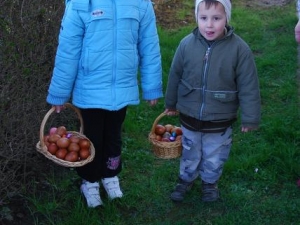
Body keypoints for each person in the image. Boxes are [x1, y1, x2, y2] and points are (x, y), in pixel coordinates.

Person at [46, 0, 163, 208]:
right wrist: (60, 92)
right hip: (90, 89)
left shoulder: (140, 4)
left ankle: (110, 175)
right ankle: (89, 181)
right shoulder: (81, 4)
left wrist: (151, 85)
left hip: (122, 87)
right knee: (91, 140)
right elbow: (68, 49)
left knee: (113, 137)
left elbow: (149, 44)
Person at [164, 0, 261, 202]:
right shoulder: (186, 45)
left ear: (227, 18)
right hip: (189, 115)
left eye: (216, 18)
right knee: (190, 150)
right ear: (196, 17)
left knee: (215, 153)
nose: (209, 25)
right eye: (204, 18)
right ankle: (185, 179)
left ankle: (209, 183)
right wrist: (171, 103)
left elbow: (248, 85)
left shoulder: (239, 49)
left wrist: (250, 118)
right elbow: (175, 75)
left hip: (220, 118)